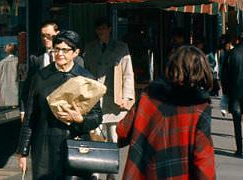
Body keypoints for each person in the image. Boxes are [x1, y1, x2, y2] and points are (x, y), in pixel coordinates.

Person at [117, 45, 215, 179]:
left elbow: (122, 130)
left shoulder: (149, 96)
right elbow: (203, 158)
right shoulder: (199, 107)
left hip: (144, 173)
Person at [17, 30, 103, 180]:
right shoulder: (41, 77)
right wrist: (23, 150)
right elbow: (31, 116)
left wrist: (80, 119)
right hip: (44, 146)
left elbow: (97, 117)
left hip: (75, 145)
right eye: (56, 49)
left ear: (76, 53)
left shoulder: (86, 78)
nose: (60, 54)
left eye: (65, 50)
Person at [83, 17, 135, 179]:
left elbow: (128, 74)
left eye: (103, 28)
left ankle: (111, 172)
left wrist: (127, 97)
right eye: (98, 29)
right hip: (95, 100)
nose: (100, 32)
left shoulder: (121, 47)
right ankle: (96, 172)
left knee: (113, 137)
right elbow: (84, 73)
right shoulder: (90, 48)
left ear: (110, 29)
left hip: (114, 100)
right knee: (96, 137)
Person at [21, 21, 60, 120]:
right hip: (42, 107)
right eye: (43, 36)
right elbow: (29, 83)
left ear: (57, 34)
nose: (45, 39)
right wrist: (23, 109)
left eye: (49, 36)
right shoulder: (36, 58)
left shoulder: (67, 55)